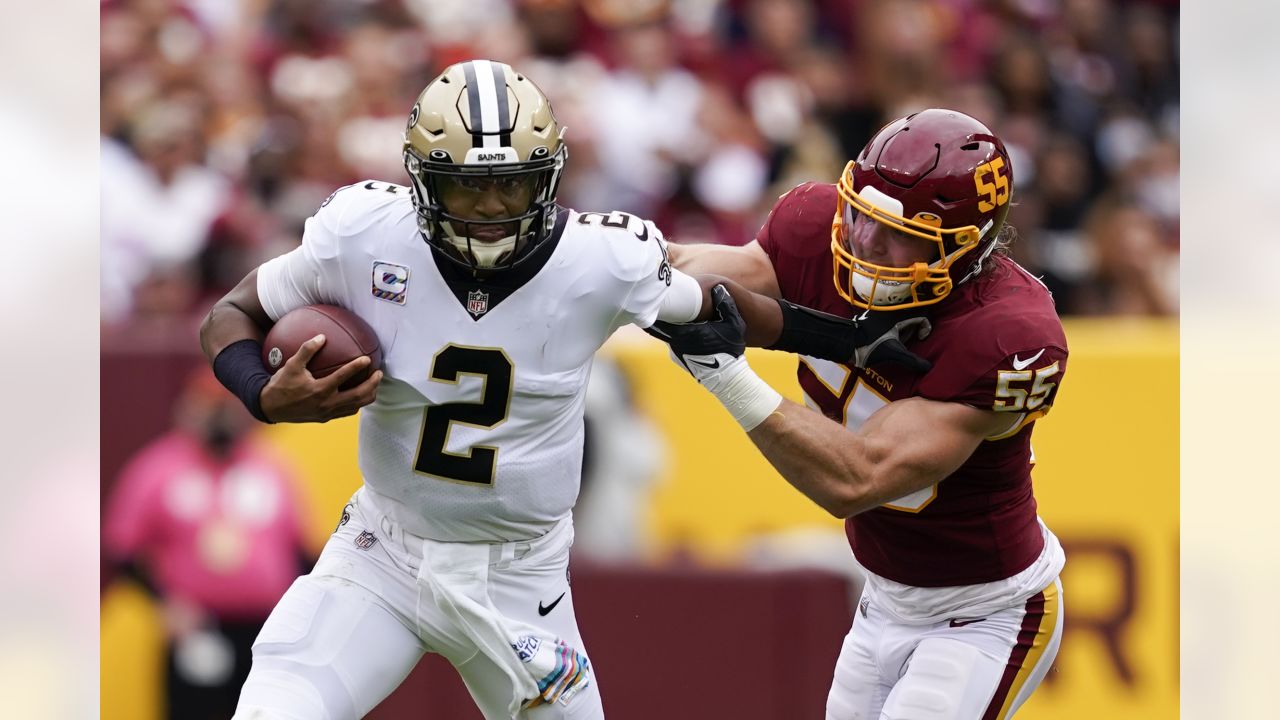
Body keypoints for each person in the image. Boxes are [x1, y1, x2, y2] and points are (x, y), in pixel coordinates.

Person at [199, 59, 920, 720]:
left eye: (510, 183)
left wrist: (852, 339)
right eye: (467, 188)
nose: (490, 211)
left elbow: (723, 308)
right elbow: (229, 314)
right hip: (381, 553)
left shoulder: (599, 259)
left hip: (519, 580)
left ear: (548, 178)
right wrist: (262, 391)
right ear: (422, 180)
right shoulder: (364, 234)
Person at [658, 108, 1068, 719]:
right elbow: (695, 274)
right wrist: (590, 260)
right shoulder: (816, 230)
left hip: (983, 613)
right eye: (860, 216)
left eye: (898, 235)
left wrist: (726, 375)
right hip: (880, 601)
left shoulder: (1007, 335)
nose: (863, 243)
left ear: (963, 249)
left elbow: (858, 477)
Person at [103, 367, 309, 720]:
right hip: (199, 628)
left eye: (229, 405)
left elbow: (300, 551)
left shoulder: (268, 466)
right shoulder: (160, 467)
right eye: (210, 404)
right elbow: (122, 549)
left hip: (266, 629)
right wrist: (166, 603)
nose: (221, 415)